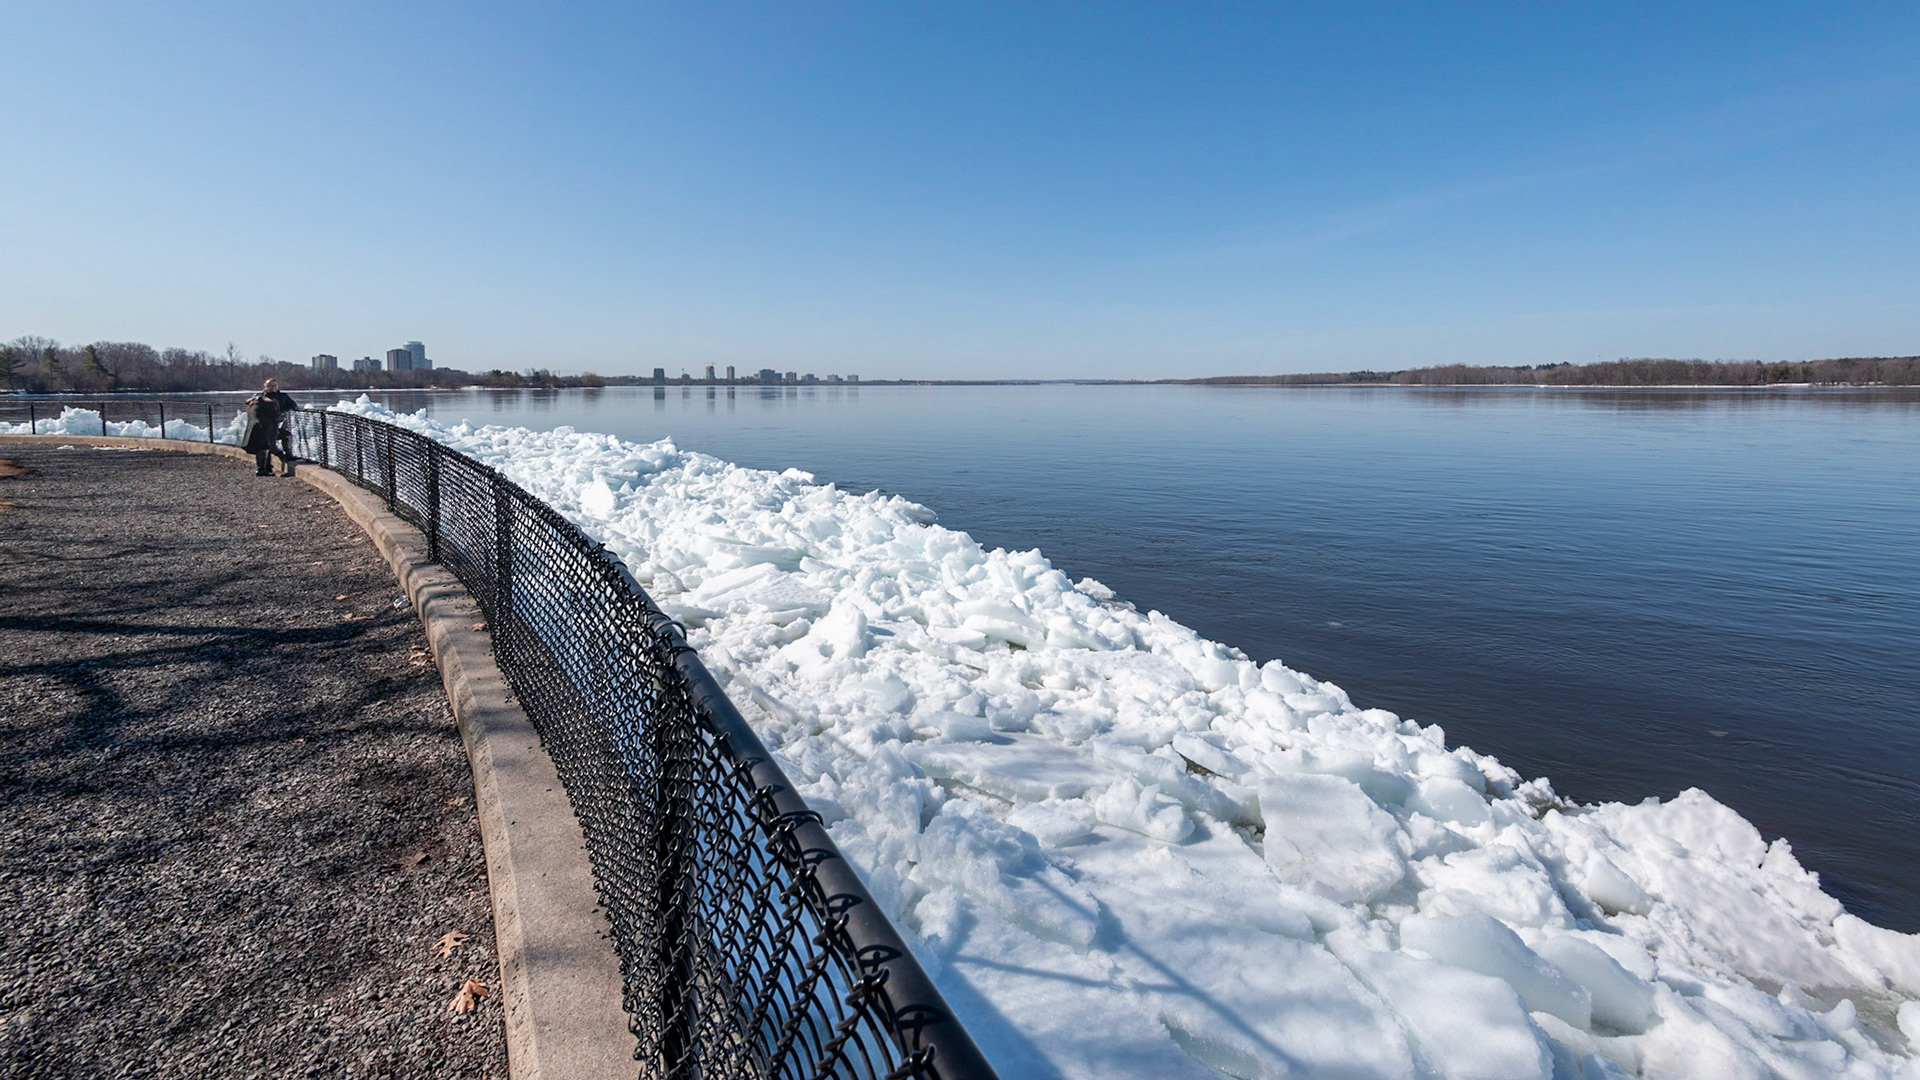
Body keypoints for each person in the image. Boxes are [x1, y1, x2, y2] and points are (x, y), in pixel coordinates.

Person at [241, 379, 301, 477]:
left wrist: (282, 412)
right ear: (265, 387)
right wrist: (260, 398)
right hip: (266, 425)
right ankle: (266, 467)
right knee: (265, 445)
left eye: (274, 386)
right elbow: (248, 401)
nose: (272, 388)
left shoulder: (283, 396)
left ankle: (287, 456)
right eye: (270, 386)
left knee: (284, 436)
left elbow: (293, 405)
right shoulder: (260, 396)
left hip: (274, 424)